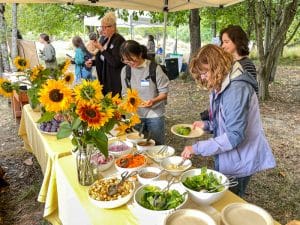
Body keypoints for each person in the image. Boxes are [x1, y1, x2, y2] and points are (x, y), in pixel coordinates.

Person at [181, 44, 276, 197]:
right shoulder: (221, 83)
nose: (203, 77)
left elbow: (234, 135)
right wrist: (206, 125)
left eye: (205, 72)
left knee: (229, 200)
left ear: (217, 67)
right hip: (230, 156)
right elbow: (224, 120)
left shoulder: (236, 89)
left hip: (241, 158)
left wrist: (196, 148)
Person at [120, 40, 170, 145]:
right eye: (126, 61)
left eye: (132, 60)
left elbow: (164, 93)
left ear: (140, 54)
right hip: (135, 115)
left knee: (156, 144)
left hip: (154, 114)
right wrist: (126, 104)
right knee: (136, 144)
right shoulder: (125, 71)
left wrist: (153, 100)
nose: (130, 64)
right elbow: (124, 93)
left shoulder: (154, 69)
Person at [93, 12, 125, 96]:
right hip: (105, 79)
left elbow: (115, 62)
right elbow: (104, 59)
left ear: (113, 27)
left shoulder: (119, 40)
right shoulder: (105, 39)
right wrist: (92, 63)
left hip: (114, 81)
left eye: (105, 27)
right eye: (101, 27)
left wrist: (101, 49)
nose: (102, 30)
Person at [220, 25, 258, 95]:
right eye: (222, 42)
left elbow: (250, 94)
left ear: (237, 41)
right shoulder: (230, 63)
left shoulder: (246, 65)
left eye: (226, 42)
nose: (222, 46)